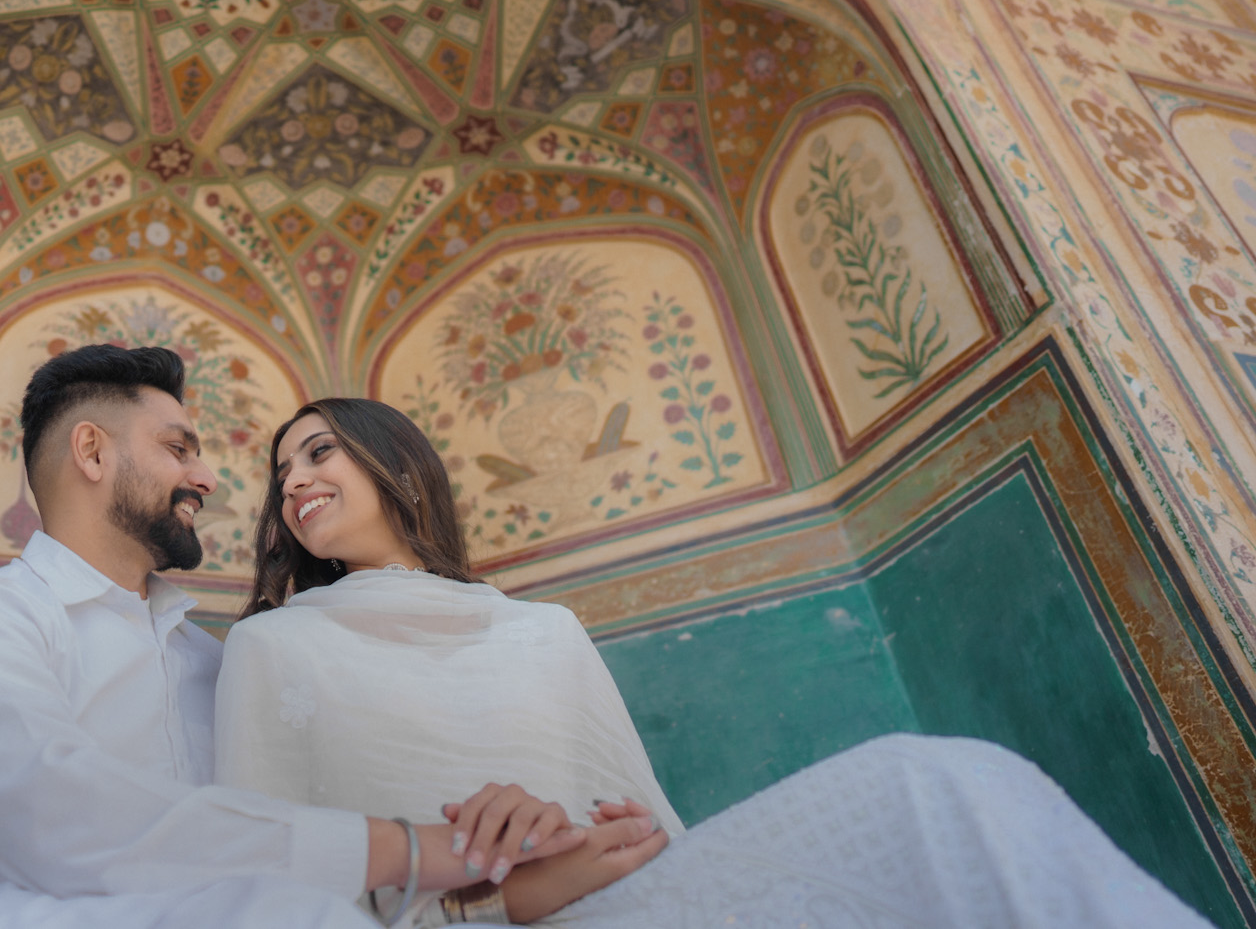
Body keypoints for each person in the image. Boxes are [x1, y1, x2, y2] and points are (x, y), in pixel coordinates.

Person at [216, 397, 1216, 927]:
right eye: (280, 471)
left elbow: (647, 830)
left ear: (396, 465)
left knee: (941, 782)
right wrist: (490, 900)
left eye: (317, 452)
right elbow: (255, 891)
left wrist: (591, 842)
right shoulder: (270, 646)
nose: (293, 480)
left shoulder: (540, 631)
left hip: (629, 908)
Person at [0, 347, 657, 929]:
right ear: (91, 450)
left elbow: (301, 863)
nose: (208, 477)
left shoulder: (219, 666)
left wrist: (502, 861)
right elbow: (62, 821)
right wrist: (416, 847)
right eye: (178, 448)